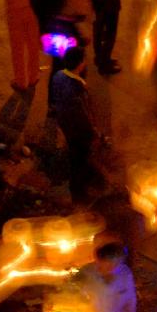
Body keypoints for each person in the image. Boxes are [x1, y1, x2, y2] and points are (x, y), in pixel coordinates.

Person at [50, 46, 98, 202]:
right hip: (79, 133)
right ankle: (78, 192)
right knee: (79, 160)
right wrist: (93, 131)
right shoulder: (77, 89)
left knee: (74, 156)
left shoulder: (58, 76)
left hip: (65, 126)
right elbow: (83, 115)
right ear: (80, 64)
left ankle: (78, 185)